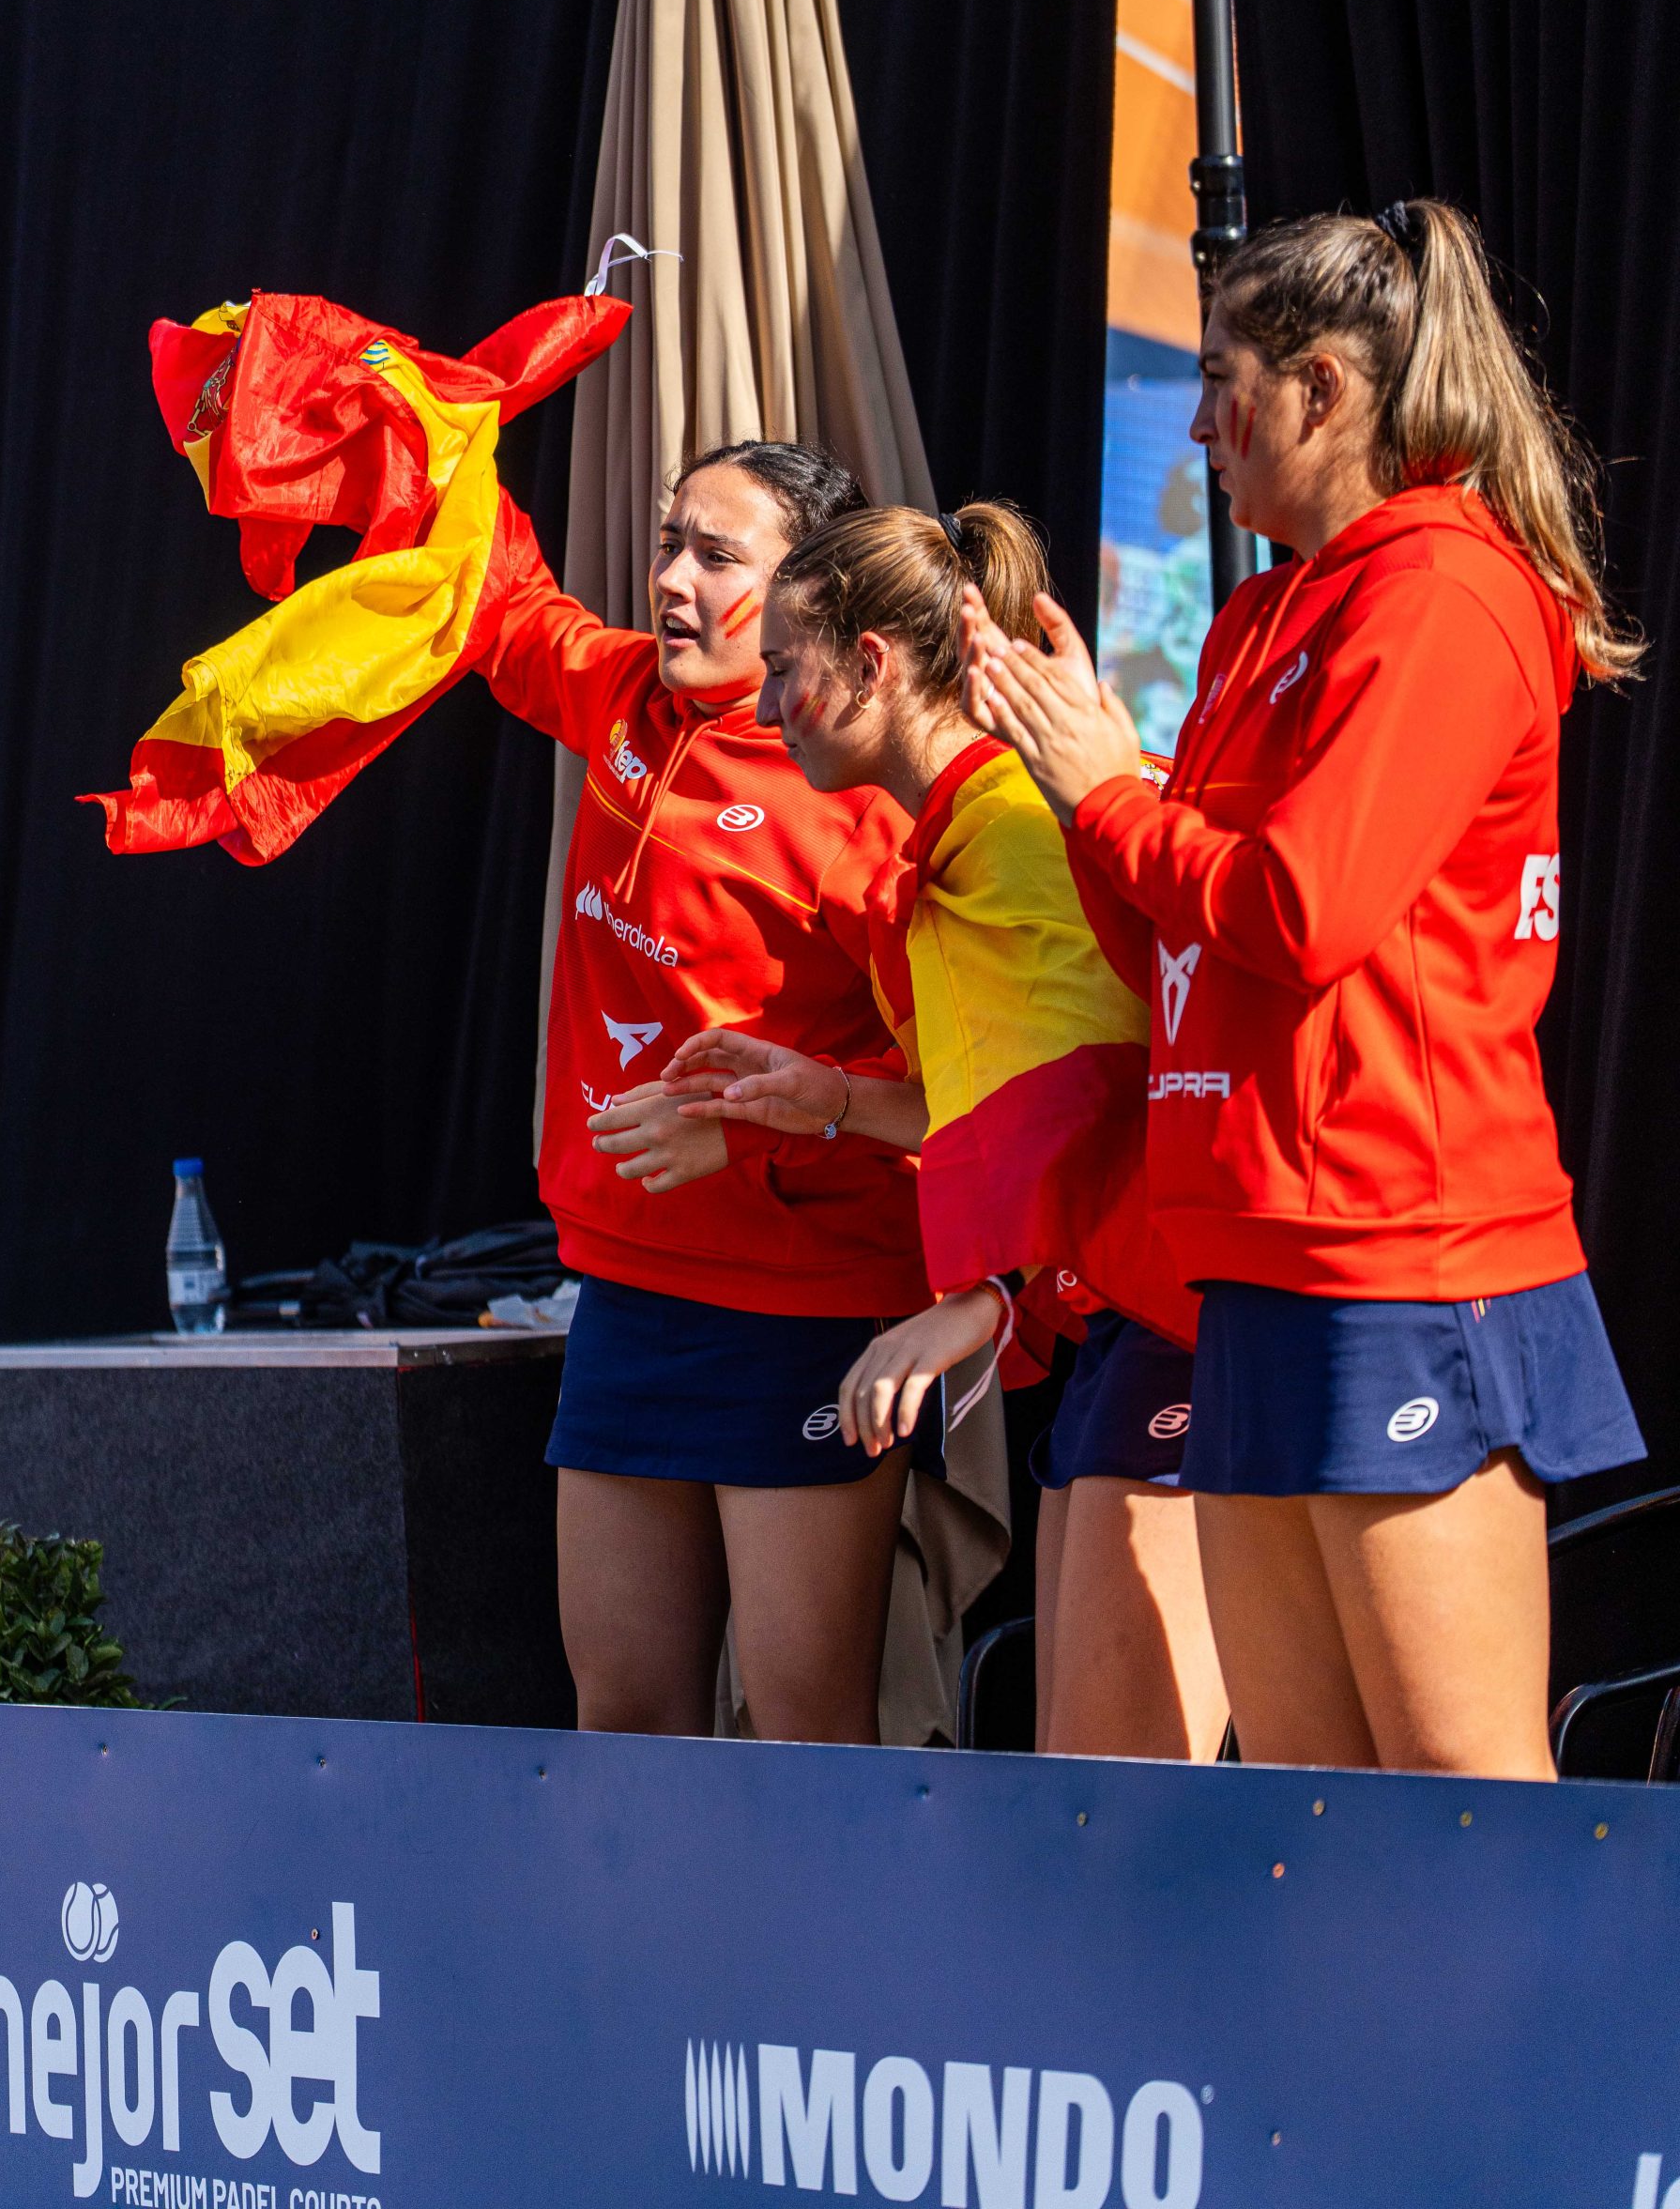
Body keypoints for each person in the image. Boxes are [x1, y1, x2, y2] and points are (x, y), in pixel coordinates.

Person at [965, 199, 1646, 1778]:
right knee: (1311, 1815)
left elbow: (1301, 908)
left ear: (1324, 389)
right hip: (1251, 1260)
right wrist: (1084, 790)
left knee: (1462, 1810)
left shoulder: (1446, 588)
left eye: (1221, 380)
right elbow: (1178, 946)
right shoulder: (1262, 614)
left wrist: (1112, 795)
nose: (1198, 424)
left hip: (1403, 1258)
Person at [653, 501, 1228, 1760]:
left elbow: (1123, 1090)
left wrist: (983, 1299)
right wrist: (829, 1098)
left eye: (787, 670)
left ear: (871, 664)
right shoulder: (968, 831)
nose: (766, 705)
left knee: (1126, 1799)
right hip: (1124, 1318)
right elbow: (1011, 1089)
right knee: (1095, 1784)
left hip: (1181, 1315)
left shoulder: (1017, 829)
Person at [471, 440, 934, 1745]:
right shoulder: (627, 696)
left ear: (810, 598)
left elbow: (964, 1087)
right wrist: (418, 419)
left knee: (800, 1731)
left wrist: (756, 1123)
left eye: (716, 556)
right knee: (623, 1721)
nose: (671, 577)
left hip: (809, 1303)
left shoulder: (865, 801)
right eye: (670, 542)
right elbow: (499, 603)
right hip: (627, 1290)